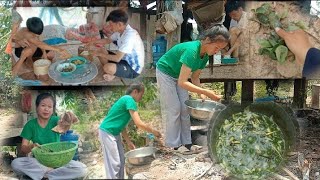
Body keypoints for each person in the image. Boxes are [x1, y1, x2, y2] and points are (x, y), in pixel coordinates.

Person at [156, 25, 229, 152]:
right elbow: (183, 82)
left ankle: (187, 143)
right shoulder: (192, 51)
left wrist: (202, 95)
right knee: (174, 109)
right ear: (207, 40)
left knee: (185, 109)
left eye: (220, 49)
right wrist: (205, 91)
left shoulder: (204, 56)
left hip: (178, 76)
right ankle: (174, 145)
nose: (217, 51)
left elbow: (195, 78)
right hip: (166, 72)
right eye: (216, 47)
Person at [11, 93, 87, 180]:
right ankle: (51, 173)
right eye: (43, 105)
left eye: (50, 107)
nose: (46, 109)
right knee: (16, 163)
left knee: (82, 169)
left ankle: (47, 175)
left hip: (58, 160)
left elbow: (63, 125)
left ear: (52, 109)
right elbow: (23, 148)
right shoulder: (30, 125)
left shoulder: (55, 120)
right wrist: (31, 146)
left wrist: (68, 118)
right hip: (39, 161)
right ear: (37, 107)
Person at [99, 83, 162, 179]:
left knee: (121, 160)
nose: (141, 97)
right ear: (135, 91)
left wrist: (128, 141)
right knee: (114, 163)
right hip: (107, 132)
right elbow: (139, 123)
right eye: (141, 94)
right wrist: (154, 131)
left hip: (115, 133)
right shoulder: (129, 100)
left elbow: (122, 126)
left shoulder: (126, 100)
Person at [86, 9, 145, 81]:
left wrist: (99, 54)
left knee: (107, 67)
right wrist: (92, 42)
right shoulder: (120, 31)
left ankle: (113, 73)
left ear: (119, 24)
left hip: (133, 69)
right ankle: (114, 72)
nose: (109, 27)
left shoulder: (129, 36)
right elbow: (107, 40)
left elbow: (117, 58)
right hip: (123, 60)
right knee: (101, 50)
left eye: (111, 25)